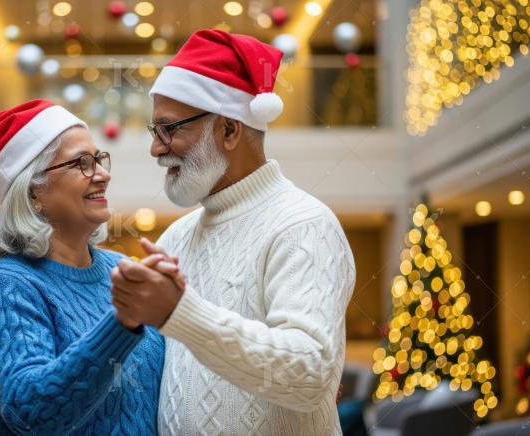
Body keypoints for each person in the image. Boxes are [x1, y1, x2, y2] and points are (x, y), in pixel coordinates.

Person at [110, 29, 357, 435]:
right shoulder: (177, 237)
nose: (157, 148)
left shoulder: (303, 225)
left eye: (170, 129)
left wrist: (180, 312)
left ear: (229, 129)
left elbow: (310, 378)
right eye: (155, 132)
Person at [0, 99, 177, 435]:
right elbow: (31, 413)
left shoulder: (124, 269)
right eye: (82, 163)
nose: (103, 174)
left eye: (98, 159)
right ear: (33, 194)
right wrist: (122, 323)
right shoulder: (10, 284)